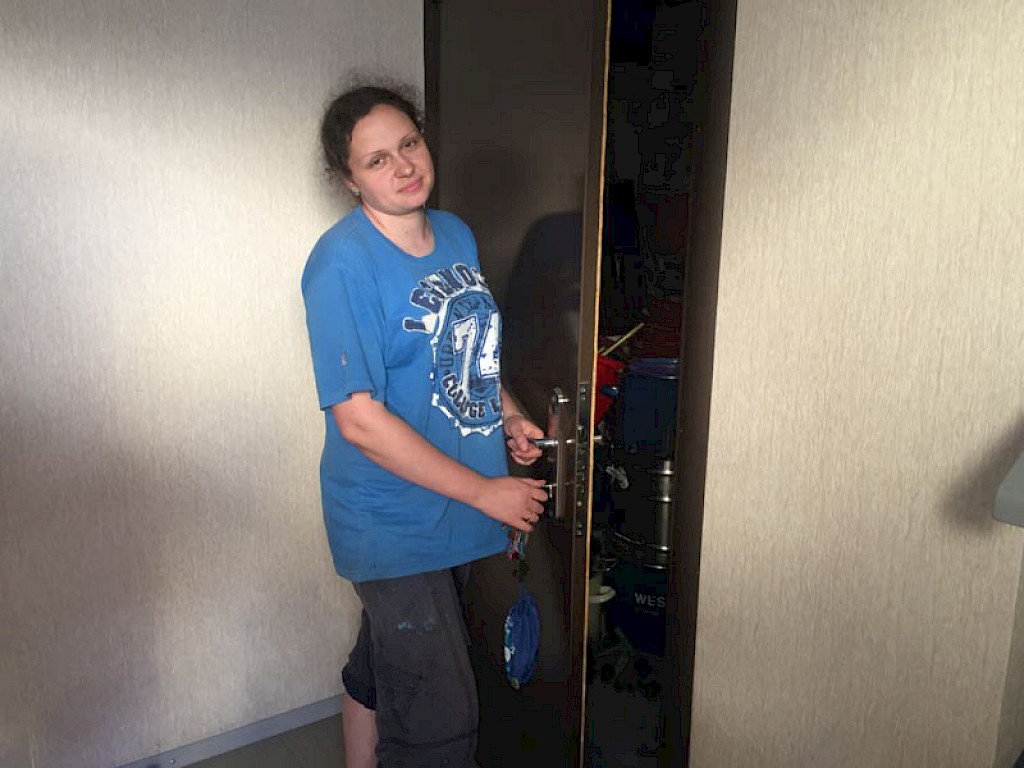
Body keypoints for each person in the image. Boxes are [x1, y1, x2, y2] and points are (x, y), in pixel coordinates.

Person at [301, 82, 547, 768]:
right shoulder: (341, 264)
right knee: (440, 717)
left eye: (408, 143)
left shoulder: (456, 234)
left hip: (453, 506)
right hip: (392, 520)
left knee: (386, 666)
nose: (403, 166)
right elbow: (359, 421)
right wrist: (486, 492)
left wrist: (510, 414)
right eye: (377, 160)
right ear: (348, 179)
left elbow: (466, 354)